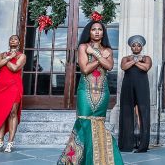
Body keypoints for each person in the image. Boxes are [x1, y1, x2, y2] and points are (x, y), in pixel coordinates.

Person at [57, 21, 124, 165]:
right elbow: (85, 69)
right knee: (84, 123)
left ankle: (98, 160)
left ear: (103, 33)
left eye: (100, 29)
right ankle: (76, 161)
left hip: (102, 93)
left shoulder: (108, 50)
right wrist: (100, 56)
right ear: (89, 32)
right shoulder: (83, 47)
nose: (97, 32)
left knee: (99, 125)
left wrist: (96, 55)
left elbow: (110, 66)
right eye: (94, 29)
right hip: (85, 92)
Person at [0, 34, 26, 152]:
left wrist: (6, 60)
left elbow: (15, 68)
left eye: (15, 39)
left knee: (12, 113)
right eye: (11, 39)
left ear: (19, 42)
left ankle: (10, 142)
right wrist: (8, 58)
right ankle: (0, 142)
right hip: (0, 87)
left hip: (14, 87)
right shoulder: (1, 55)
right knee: (1, 113)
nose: (13, 40)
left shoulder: (22, 56)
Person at [117, 34, 152, 153]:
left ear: (142, 47)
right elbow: (124, 66)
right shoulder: (125, 58)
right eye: (134, 45)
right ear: (131, 47)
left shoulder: (147, 57)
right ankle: (126, 144)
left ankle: (143, 145)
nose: (136, 47)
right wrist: (136, 60)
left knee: (144, 112)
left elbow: (146, 67)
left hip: (142, 86)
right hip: (128, 86)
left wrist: (134, 61)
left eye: (138, 45)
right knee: (126, 112)